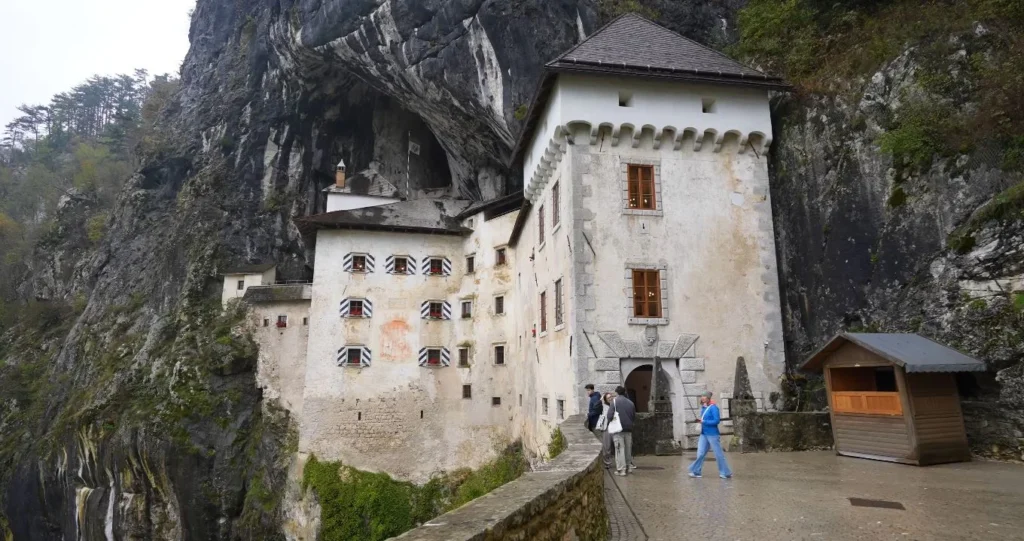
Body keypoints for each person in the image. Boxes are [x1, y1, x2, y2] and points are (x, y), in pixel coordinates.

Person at [687, 391, 732, 479]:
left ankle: (725, 472)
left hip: (712, 434)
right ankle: (696, 471)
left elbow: (716, 421)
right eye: (702, 396)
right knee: (700, 453)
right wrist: (700, 421)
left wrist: (704, 421)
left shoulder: (714, 408)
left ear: (708, 398)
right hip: (703, 434)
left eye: (704, 396)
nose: (702, 398)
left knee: (718, 454)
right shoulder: (703, 408)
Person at [608, 385, 636, 476]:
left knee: (620, 449)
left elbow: (609, 416)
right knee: (628, 449)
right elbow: (633, 416)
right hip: (629, 429)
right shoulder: (631, 403)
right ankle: (628, 467)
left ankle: (621, 470)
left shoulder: (614, 402)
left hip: (618, 429)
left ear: (616, 393)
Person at [599, 392, 615, 469]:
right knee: (607, 446)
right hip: (607, 428)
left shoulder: (615, 405)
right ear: (605, 399)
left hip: (615, 428)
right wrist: (600, 399)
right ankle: (607, 463)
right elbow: (595, 406)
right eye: (608, 398)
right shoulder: (603, 406)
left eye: (611, 397)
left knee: (616, 446)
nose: (610, 399)